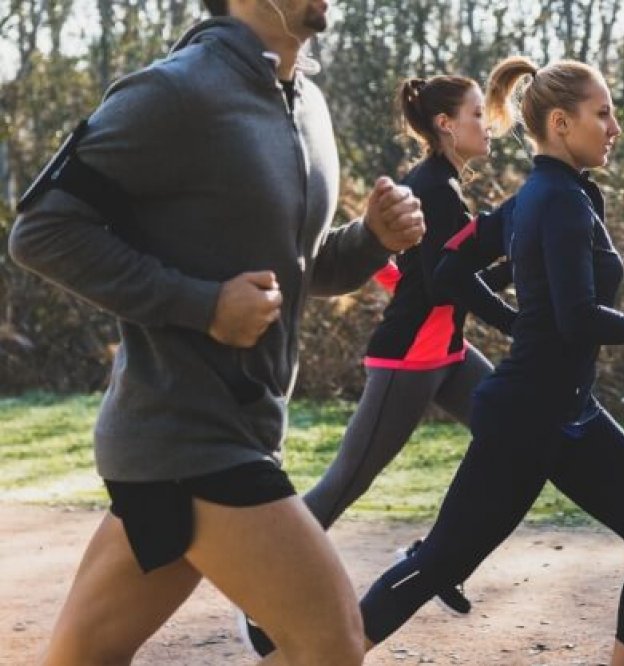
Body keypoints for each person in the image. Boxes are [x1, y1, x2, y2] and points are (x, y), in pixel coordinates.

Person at [7, 1, 425, 664]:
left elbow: (293, 271)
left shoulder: (305, 103)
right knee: (332, 644)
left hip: (214, 435)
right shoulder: (176, 91)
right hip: (191, 435)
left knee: (82, 656)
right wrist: (201, 305)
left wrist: (371, 240)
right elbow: (41, 231)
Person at [358, 55, 624, 666]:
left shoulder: (543, 199)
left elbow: (452, 267)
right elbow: (576, 319)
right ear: (560, 121)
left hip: (569, 416)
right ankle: (314, 652)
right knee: (437, 564)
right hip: (525, 422)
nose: (614, 127)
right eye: (603, 113)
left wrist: (518, 296)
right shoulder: (557, 201)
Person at [237, 72, 519, 656]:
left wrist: (510, 260)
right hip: (409, 361)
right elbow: (450, 286)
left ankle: (434, 558)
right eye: (474, 114)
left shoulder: (442, 185)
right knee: (346, 482)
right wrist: (516, 277)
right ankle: (258, 598)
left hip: (448, 351)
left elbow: (414, 272)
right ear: (446, 124)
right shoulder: (431, 188)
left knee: (515, 436)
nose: (485, 125)